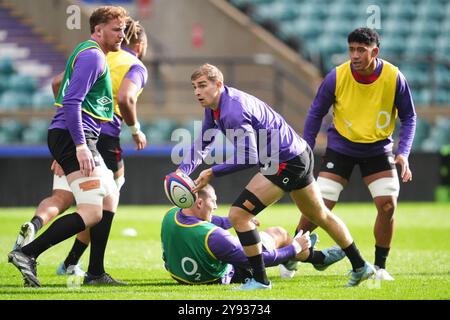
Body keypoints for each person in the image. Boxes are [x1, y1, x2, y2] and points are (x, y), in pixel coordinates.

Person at [176, 63, 375, 290]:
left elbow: (249, 155)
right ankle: (361, 266)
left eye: (202, 86)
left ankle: (260, 281)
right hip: (296, 154)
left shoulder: (232, 110)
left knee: (239, 215)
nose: (197, 92)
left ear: (219, 85)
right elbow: (204, 141)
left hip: (285, 161)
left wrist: (213, 171)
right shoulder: (215, 107)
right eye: (194, 87)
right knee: (320, 215)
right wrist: (183, 170)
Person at [11, 18, 149, 284]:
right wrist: (77, 144)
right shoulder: (104, 59)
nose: (119, 35)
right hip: (86, 137)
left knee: (103, 196)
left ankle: (94, 271)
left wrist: (64, 139)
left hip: (80, 136)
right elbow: (117, 99)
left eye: (122, 31)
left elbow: (57, 84)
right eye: (114, 30)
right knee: (93, 210)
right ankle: (29, 254)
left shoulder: (97, 56)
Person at [298, 28, 416, 281]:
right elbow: (315, 112)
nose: (354, 55)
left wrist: (403, 153)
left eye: (361, 50)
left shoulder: (394, 77)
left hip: (378, 149)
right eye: (351, 49)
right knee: (320, 207)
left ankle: (380, 268)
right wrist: (306, 147)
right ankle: (291, 256)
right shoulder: (336, 76)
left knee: (387, 205)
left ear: (375, 51)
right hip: (341, 147)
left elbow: (409, 117)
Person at [161, 184, 345, 285]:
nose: (215, 206)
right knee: (278, 233)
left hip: (180, 276)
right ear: (200, 203)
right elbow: (257, 260)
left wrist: (235, 220)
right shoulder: (214, 236)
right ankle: (317, 258)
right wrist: (294, 247)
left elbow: (166, 255)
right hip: (223, 275)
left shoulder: (171, 214)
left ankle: (293, 259)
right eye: (214, 202)